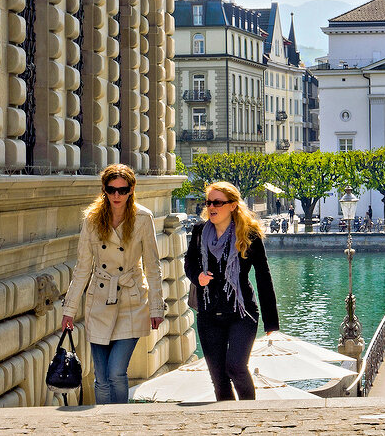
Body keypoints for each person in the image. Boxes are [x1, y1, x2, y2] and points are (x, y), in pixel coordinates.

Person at [61, 164, 165, 404]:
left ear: (131, 190)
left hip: (132, 300)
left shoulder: (143, 218)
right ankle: (104, 426)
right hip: (99, 302)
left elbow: (153, 266)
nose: (116, 195)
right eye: (111, 189)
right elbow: (82, 268)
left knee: (116, 372)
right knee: (101, 377)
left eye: (122, 189)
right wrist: (69, 310)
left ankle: (121, 423)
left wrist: (157, 308)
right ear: (104, 190)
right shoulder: (91, 219)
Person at [184, 181, 279, 401]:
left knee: (236, 367)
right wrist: (197, 276)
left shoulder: (249, 234)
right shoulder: (199, 232)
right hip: (208, 314)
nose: (211, 207)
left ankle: (249, 415)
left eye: (218, 202)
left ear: (233, 205)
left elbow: (263, 276)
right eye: (208, 202)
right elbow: (189, 262)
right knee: (219, 379)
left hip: (242, 311)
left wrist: (270, 320)